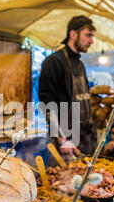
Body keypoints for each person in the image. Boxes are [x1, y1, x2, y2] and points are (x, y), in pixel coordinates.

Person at [39, 15, 98, 159]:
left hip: (86, 137)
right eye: (88, 35)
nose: (91, 41)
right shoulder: (54, 62)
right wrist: (61, 139)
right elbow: (47, 103)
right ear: (73, 34)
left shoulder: (80, 64)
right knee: (66, 180)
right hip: (67, 140)